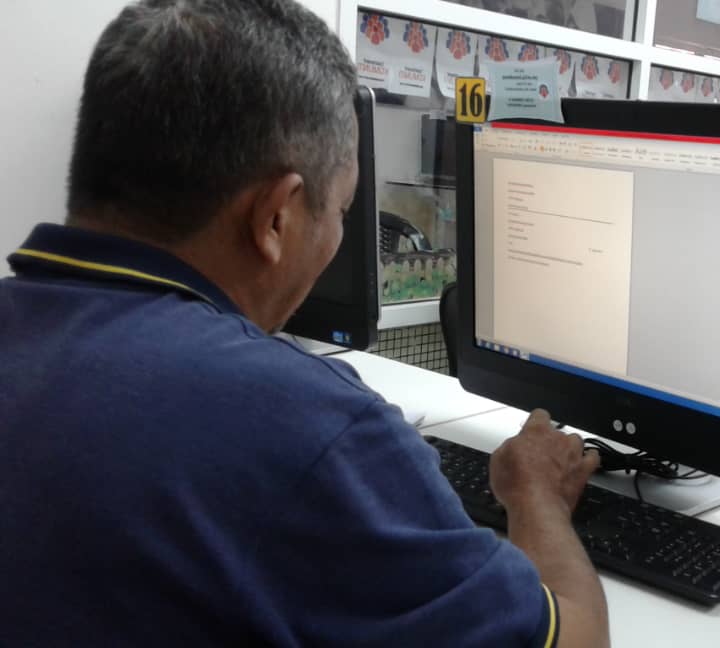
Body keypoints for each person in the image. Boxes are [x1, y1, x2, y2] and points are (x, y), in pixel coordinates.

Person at [0, 1, 608, 646]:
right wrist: (535, 495)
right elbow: (577, 639)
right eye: (342, 211)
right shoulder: (304, 423)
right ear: (275, 217)